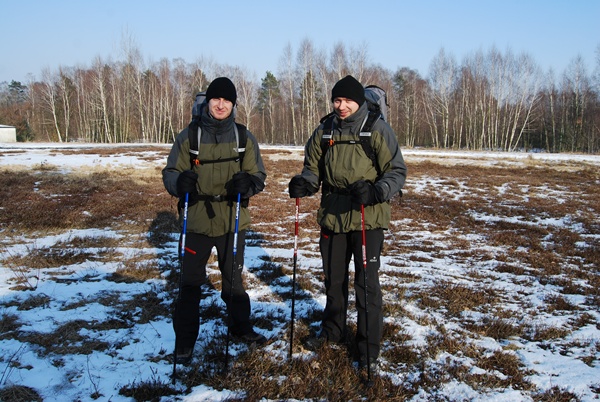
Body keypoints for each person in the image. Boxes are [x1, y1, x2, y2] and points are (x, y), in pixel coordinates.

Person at [288, 75, 407, 371]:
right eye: (337, 100)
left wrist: (376, 190)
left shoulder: (377, 129)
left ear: (359, 102)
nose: (342, 106)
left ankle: (368, 348)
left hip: (368, 217)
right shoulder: (324, 130)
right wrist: (304, 183)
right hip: (333, 214)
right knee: (334, 280)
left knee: (366, 285)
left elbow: (396, 171)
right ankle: (332, 332)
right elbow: (312, 168)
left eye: (348, 101)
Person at [163, 77, 268, 364]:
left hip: (232, 219)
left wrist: (247, 184)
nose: (221, 105)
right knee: (189, 283)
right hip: (196, 220)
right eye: (216, 99)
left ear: (234, 104)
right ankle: (184, 342)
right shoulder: (189, 136)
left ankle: (240, 327)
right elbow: (170, 172)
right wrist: (179, 182)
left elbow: (259, 176)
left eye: (227, 100)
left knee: (233, 280)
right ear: (207, 101)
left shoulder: (244, 137)